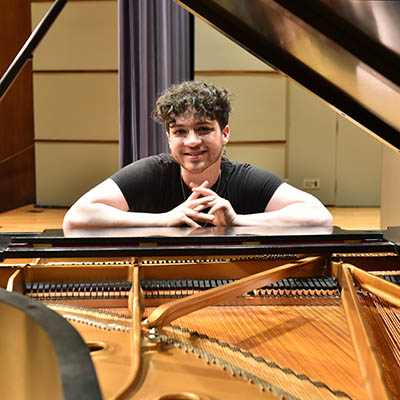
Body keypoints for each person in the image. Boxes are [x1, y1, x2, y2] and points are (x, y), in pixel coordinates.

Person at [63, 81, 332, 229]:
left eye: (203, 129)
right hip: (159, 286)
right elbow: (76, 219)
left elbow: (320, 217)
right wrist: (165, 218)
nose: (192, 141)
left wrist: (238, 220)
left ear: (224, 133)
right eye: (180, 132)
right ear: (169, 137)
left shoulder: (244, 178)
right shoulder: (152, 173)